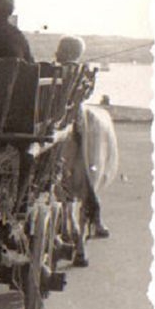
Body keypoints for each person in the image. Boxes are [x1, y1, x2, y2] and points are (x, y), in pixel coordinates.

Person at [56, 35, 113, 238]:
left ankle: (82, 218)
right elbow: (86, 96)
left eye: (59, 49)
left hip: (62, 122)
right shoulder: (81, 72)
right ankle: (94, 218)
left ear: (63, 52)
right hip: (75, 123)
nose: (56, 52)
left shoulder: (56, 70)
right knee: (87, 175)